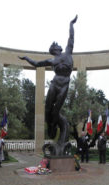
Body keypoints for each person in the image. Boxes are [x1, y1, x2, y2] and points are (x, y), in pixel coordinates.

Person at [19, 16, 77, 155]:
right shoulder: (52, 60)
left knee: (56, 109)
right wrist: (26, 58)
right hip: (55, 83)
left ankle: (54, 125)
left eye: (55, 46)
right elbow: (37, 64)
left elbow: (71, 37)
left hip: (64, 84)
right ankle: (50, 124)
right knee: (48, 106)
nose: (55, 47)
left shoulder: (68, 52)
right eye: (53, 47)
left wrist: (71, 24)